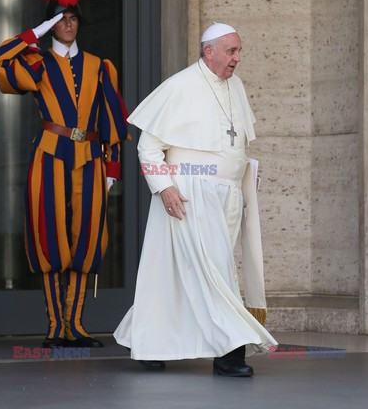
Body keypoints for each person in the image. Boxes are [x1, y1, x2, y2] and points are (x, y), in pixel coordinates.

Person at [114, 22, 277, 377]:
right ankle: (230, 353)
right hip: (189, 194)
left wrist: (244, 173)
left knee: (182, 274)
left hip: (228, 196)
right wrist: (164, 187)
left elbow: (235, 141)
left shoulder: (236, 86)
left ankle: (148, 340)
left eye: (238, 51)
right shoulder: (180, 85)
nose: (237, 59)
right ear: (209, 51)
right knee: (215, 272)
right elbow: (149, 146)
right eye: (231, 51)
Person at [0, 0, 129, 348]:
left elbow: (114, 121)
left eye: (73, 17)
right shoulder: (36, 62)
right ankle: (54, 326)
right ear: (50, 23)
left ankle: (75, 325)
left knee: (87, 239)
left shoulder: (101, 67)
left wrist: (112, 168)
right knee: (50, 236)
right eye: (60, 18)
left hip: (91, 158)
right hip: (49, 157)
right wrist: (35, 34)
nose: (68, 22)